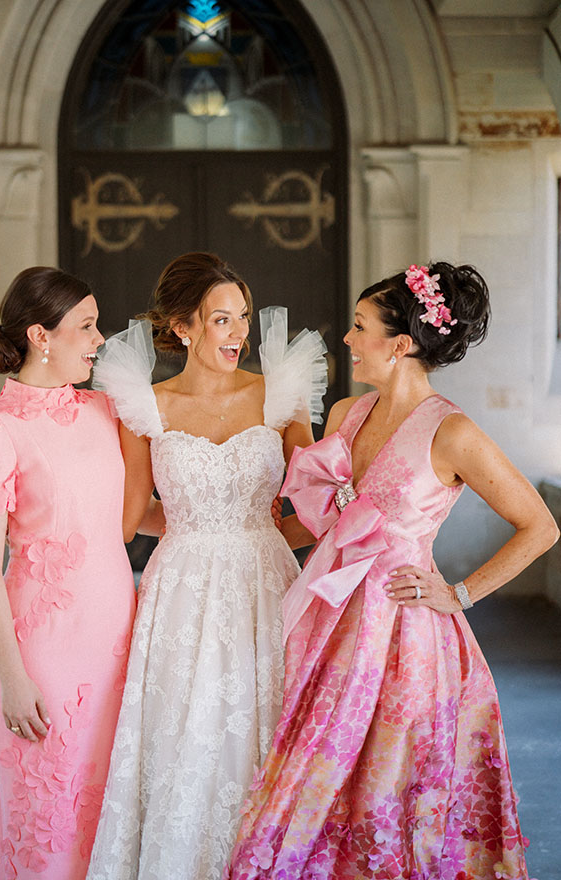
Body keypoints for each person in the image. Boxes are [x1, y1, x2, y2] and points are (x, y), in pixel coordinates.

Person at [226, 262, 559, 879]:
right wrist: (230, 536)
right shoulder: (349, 413)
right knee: (314, 780)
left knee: (394, 793)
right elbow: (327, 523)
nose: (346, 339)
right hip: (331, 623)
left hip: (405, 639)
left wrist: (459, 593)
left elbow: (542, 526)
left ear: (400, 344)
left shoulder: (452, 430)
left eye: (358, 327)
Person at [86, 252, 328, 880]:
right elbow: (132, 512)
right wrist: (194, 526)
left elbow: (317, 504)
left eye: (243, 318)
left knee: (266, 723)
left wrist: (265, 532)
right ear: (183, 326)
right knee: (185, 735)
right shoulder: (146, 405)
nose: (240, 334)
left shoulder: (280, 394)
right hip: (181, 589)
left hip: (267, 581)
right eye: (222, 320)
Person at [0, 267, 142, 880]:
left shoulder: (109, 411)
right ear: (41, 335)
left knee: (113, 801)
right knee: (50, 810)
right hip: (44, 647)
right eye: (85, 326)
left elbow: (131, 517)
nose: (99, 338)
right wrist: (12, 675)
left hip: (118, 633)